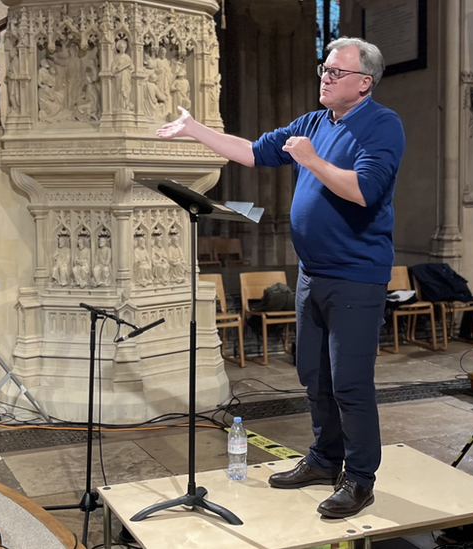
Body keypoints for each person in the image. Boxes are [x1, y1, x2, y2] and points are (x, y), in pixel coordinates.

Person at [156, 37, 404, 519]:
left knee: (350, 383)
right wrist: (194, 129)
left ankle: (359, 480)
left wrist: (311, 160)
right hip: (312, 274)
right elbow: (251, 152)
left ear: (364, 83)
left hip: (356, 276)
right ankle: (324, 459)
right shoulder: (314, 122)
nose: (324, 78)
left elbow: (364, 191)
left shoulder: (383, 125)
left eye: (335, 72)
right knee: (314, 375)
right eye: (324, 69)